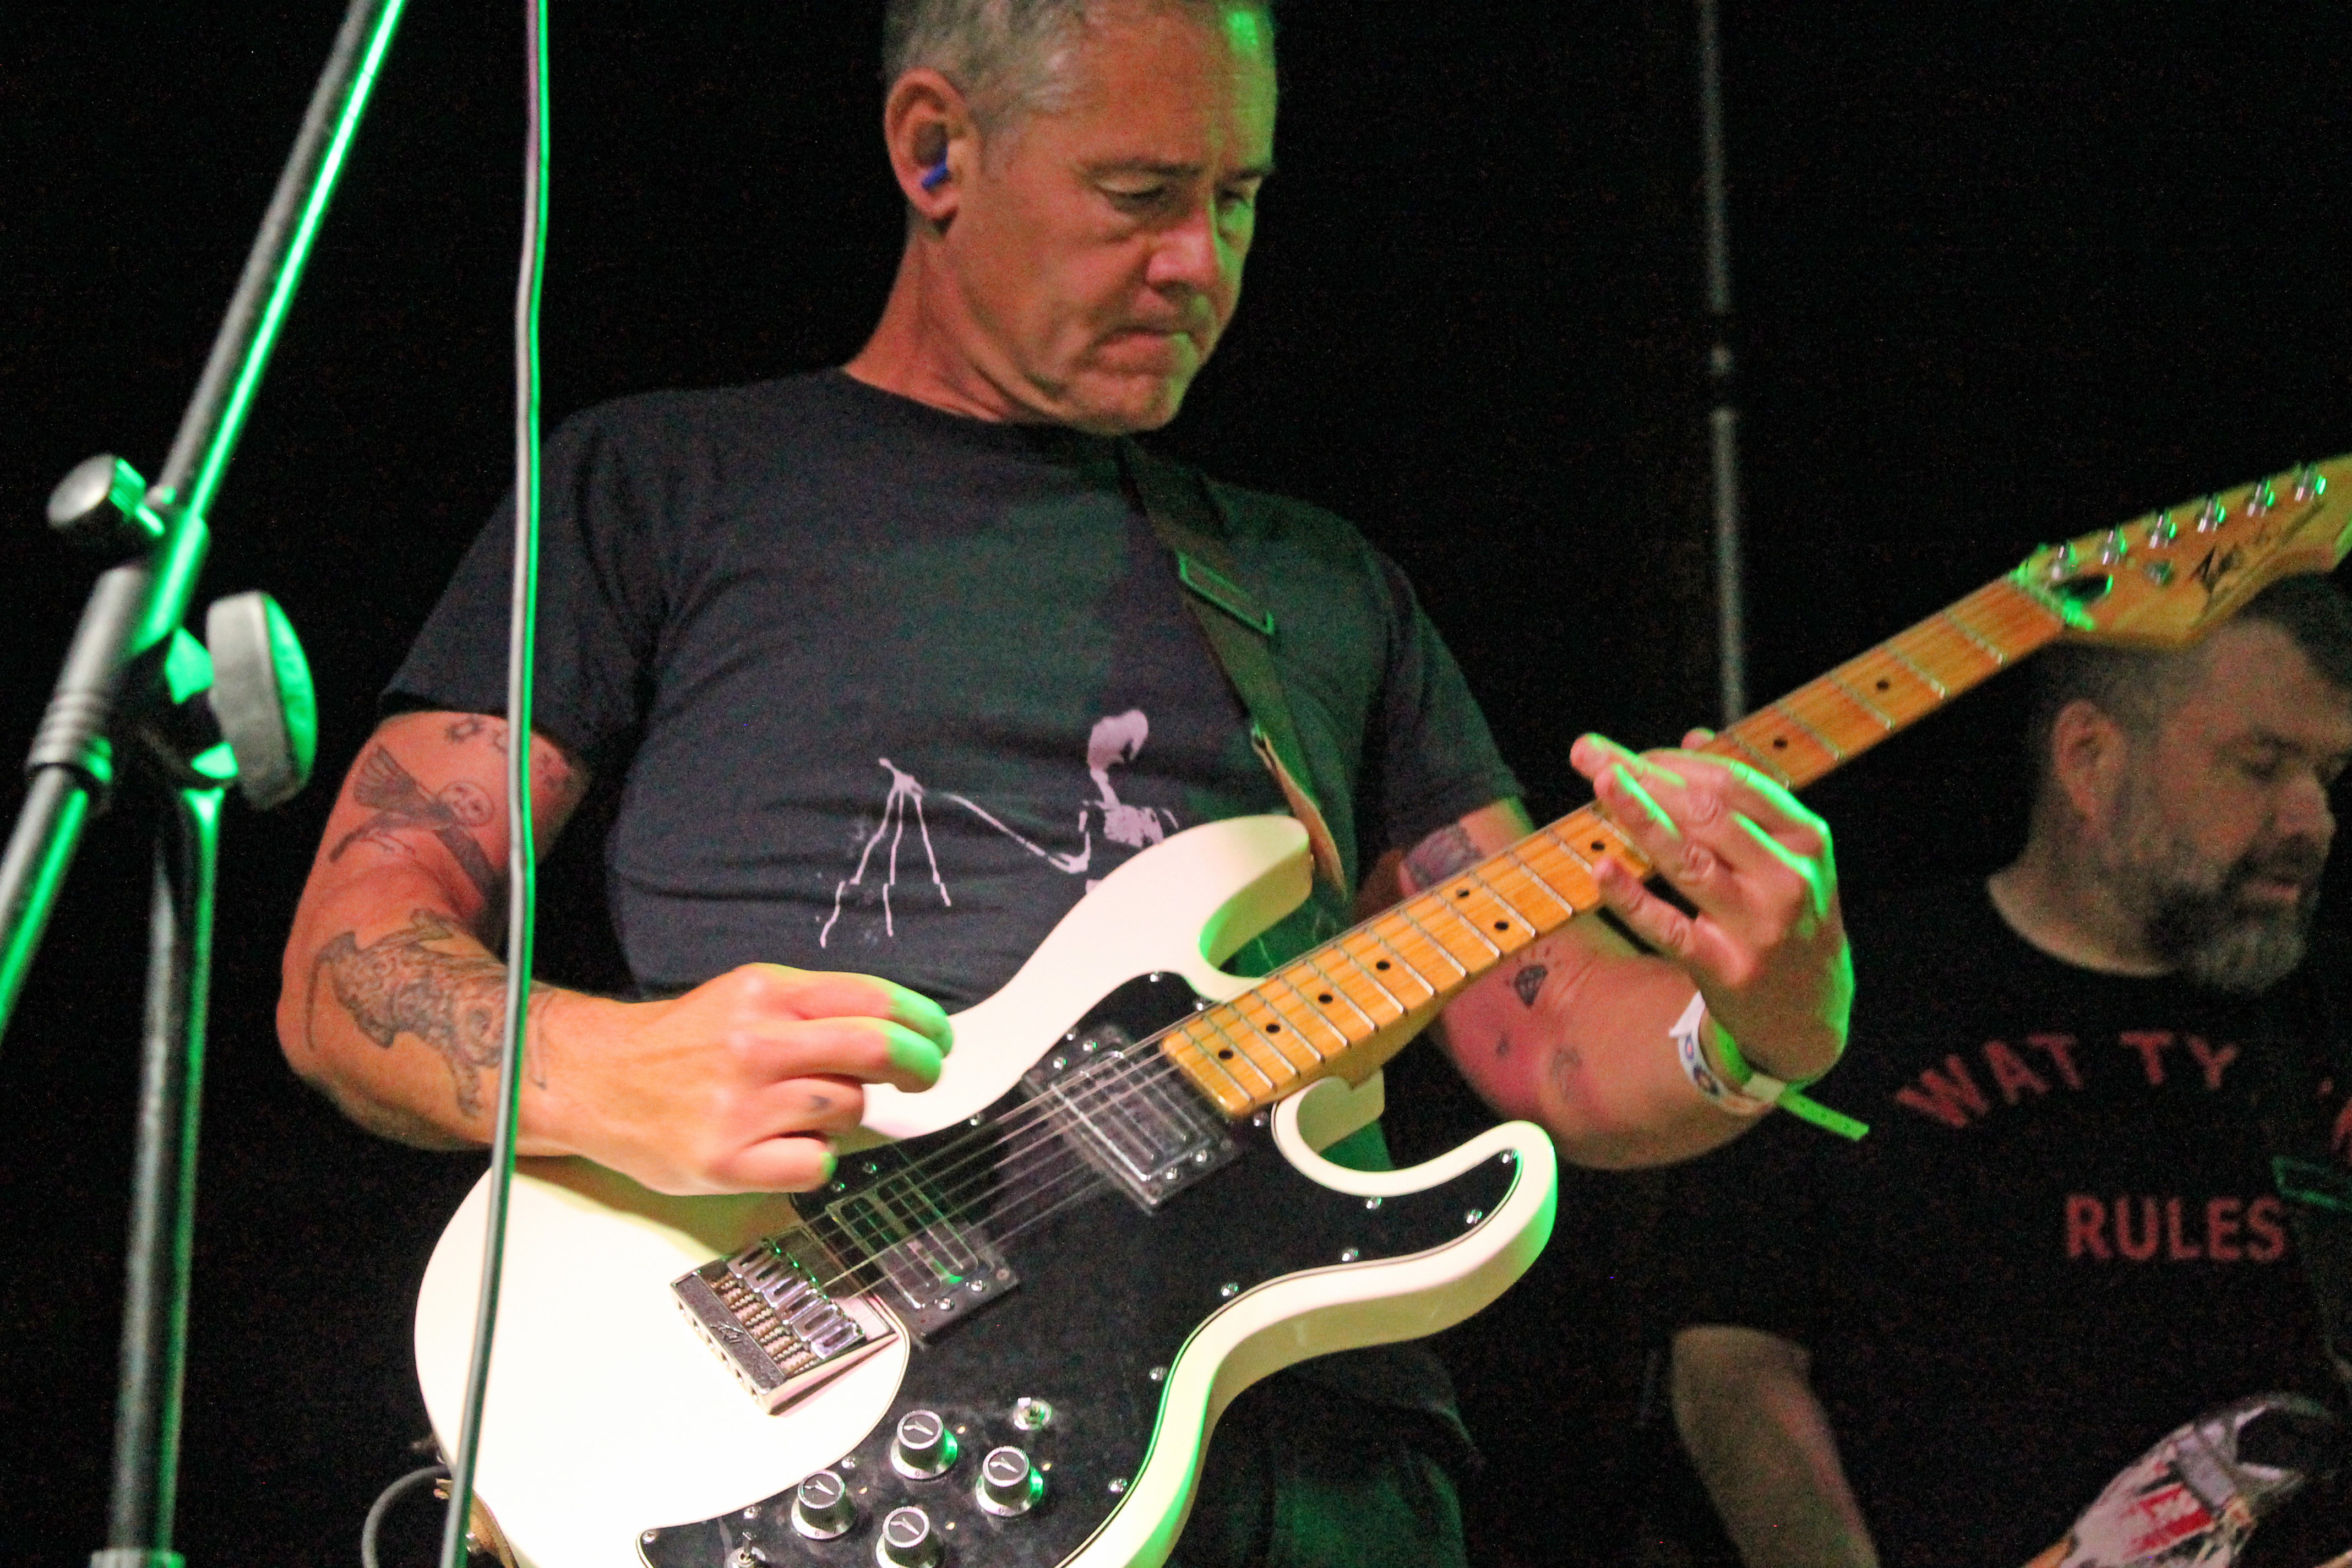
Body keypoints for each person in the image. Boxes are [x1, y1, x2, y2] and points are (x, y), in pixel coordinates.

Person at [276, 2, 1852, 1561]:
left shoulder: (1315, 581)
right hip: (800, 1421)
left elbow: (1548, 1035)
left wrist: (1769, 1015)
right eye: (1141, 195)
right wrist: (597, 1069)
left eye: (1237, 199)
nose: (1199, 263)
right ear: (935, 150)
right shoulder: (659, 486)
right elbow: (346, 960)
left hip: (1303, 1455)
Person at [1666, 573, 2352, 1568]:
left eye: (2328, 776)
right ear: (2090, 759)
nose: (2313, 822)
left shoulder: (2325, 1020)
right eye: (2261, 765)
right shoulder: (1847, 996)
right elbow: (1732, 1365)